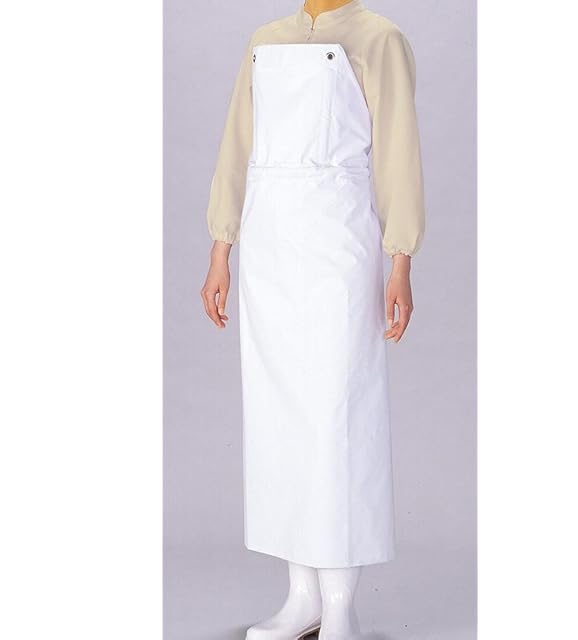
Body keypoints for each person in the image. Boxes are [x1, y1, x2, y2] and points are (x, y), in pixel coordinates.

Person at [201, 1, 425, 637]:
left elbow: (398, 150)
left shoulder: (379, 38)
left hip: (337, 237)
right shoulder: (265, 39)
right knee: (278, 420)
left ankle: (341, 606)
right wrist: (221, 248)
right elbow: (237, 144)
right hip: (269, 242)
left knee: (338, 417)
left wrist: (400, 258)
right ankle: (301, 597)